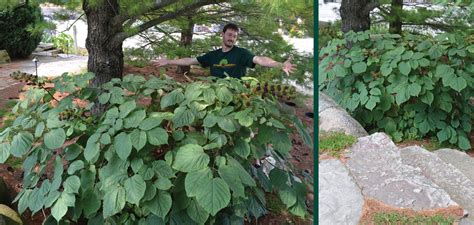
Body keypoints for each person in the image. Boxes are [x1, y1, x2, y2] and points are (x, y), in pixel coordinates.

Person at [153, 23, 295, 79]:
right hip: (216, 96)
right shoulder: (213, 55)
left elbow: (261, 60)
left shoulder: (241, 53)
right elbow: (191, 60)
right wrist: (168, 61)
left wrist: (280, 65)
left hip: (237, 96)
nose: (231, 38)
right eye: (229, 35)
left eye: (234, 36)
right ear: (223, 34)